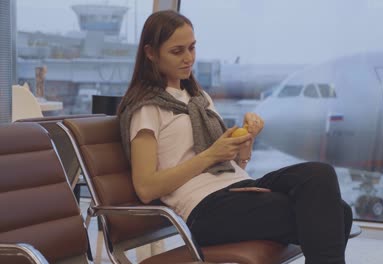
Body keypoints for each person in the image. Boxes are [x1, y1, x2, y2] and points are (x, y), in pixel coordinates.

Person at [117, 10, 352, 264]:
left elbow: (232, 166)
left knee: (320, 175)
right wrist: (211, 155)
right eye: (177, 51)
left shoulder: (198, 98)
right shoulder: (147, 108)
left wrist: (243, 143)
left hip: (237, 189)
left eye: (192, 48)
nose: (188, 59)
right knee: (334, 215)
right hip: (205, 209)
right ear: (151, 53)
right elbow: (146, 187)